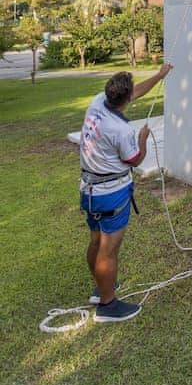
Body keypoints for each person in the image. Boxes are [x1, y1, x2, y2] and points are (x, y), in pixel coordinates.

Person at [79, 63, 173, 323]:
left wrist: (159, 76)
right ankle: (107, 306)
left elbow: (135, 92)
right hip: (111, 194)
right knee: (108, 250)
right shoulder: (121, 131)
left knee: (96, 242)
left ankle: (101, 289)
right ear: (126, 97)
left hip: (89, 191)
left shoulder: (99, 102)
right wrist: (143, 138)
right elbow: (135, 159)